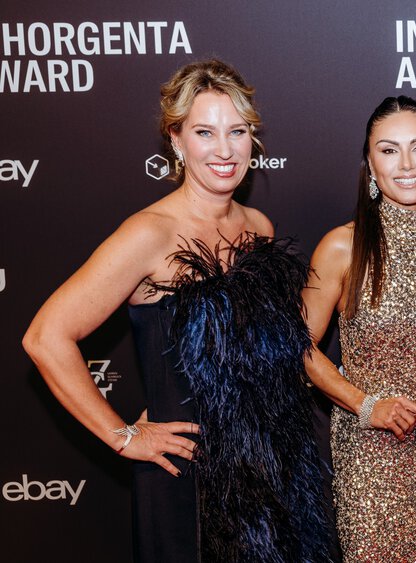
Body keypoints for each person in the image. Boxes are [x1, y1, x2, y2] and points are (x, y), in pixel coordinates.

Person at [22, 59, 331, 563]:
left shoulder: (259, 227)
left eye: (237, 131)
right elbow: (45, 336)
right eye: (205, 132)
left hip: (268, 473)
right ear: (176, 140)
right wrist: (123, 436)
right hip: (186, 478)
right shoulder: (149, 234)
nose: (225, 150)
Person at [302, 95, 416, 562]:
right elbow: (297, 349)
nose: (406, 164)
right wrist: (368, 407)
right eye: (388, 150)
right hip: (368, 452)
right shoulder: (342, 247)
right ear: (370, 162)